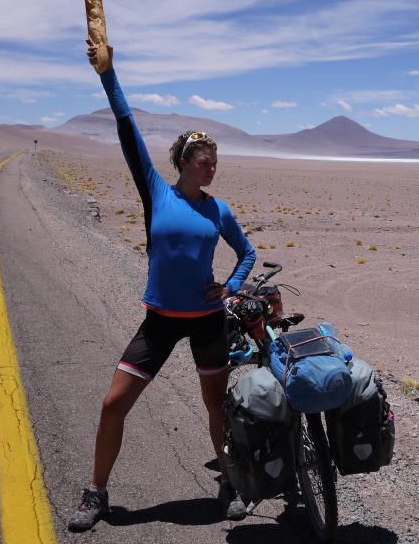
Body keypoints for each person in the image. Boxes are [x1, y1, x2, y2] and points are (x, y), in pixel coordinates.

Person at [69, 40, 256, 531]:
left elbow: (248, 252)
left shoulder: (220, 210)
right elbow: (127, 129)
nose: (211, 168)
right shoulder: (156, 192)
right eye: (203, 161)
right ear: (182, 162)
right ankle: (97, 493)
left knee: (216, 405)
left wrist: (231, 287)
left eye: (215, 161)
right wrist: (109, 75)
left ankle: (229, 482)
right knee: (113, 404)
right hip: (159, 322)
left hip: (207, 322)